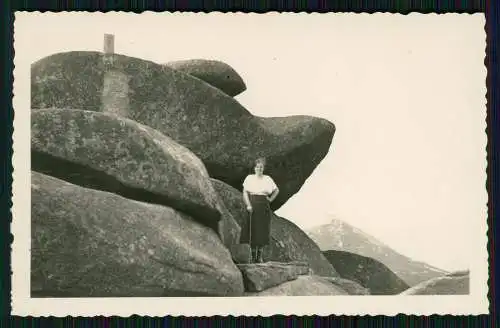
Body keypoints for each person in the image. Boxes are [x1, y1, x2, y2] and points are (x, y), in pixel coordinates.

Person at [242, 157, 280, 263]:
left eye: (261, 167)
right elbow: (245, 192)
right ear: (254, 168)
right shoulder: (249, 178)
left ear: (263, 168)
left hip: (264, 205)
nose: (259, 169)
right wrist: (248, 205)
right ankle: (253, 255)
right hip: (253, 203)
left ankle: (259, 256)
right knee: (253, 230)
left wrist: (270, 199)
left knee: (262, 230)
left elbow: (276, 190)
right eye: (257, 167)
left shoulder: (268, 179)